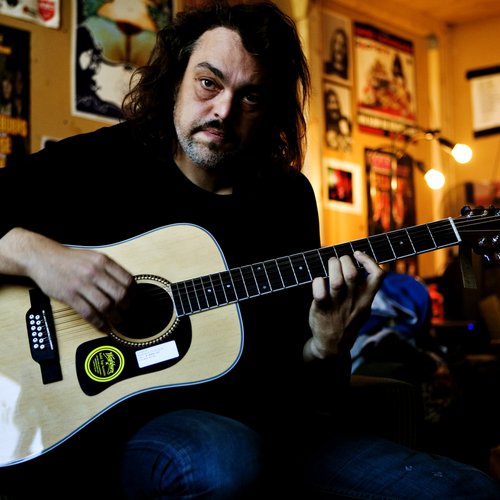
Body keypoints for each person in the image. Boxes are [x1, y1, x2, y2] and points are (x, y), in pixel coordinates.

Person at [1, 2, 500, 498]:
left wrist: (328, 345)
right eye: (208, 83)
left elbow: (308, 395)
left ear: (270, 109)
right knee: (226, 458)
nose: (224, 110)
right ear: (175, 81)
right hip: (131, 428)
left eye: (251, 96)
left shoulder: (287, 199)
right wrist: (39, 256)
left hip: (274, 429)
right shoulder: (105, 162)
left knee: (470, 490)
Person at [324, 86, 352, 152]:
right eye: (330, 103)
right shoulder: (324, 123)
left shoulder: (345, 121)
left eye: (336, 102)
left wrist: (346, 134)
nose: (334, 106)